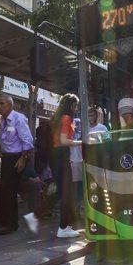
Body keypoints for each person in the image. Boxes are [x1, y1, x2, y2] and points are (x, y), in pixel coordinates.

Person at [0, 94, 39, 235]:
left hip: (16, 159)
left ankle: (10, 224)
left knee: (9, 191)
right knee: (5, 191)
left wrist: (23, 159)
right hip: (7, 159)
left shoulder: (18, 119)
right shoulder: (3, 120)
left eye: (2, 104)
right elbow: (9, 140)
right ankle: (6, 221)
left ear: (10, 105)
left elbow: (28, 141)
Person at [50, 93, 82, 238]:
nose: (76, 109)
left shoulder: (58, 118)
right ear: (71, 106)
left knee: (63, 192)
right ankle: (63, 227)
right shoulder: (67, 118)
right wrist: (82, 142)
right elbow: (64, 140)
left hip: (56, 155)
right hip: (62, 154)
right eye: (75, 106)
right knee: (66, 192)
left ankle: (65, 226)